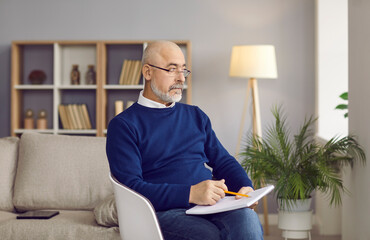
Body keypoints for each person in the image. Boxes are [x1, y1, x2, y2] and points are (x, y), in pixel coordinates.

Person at [106, 40, 263, 240]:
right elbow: (131, 188)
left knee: (248, 222)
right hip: (163, 211)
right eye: (172, 69)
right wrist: (190, 193)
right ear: (147, 72)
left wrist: (245, 187)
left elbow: (223, 161)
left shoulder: (196, 116)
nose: (181, 78)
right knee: (208, 235)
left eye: (183, 70)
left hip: (213, 204)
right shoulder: (123, 125)